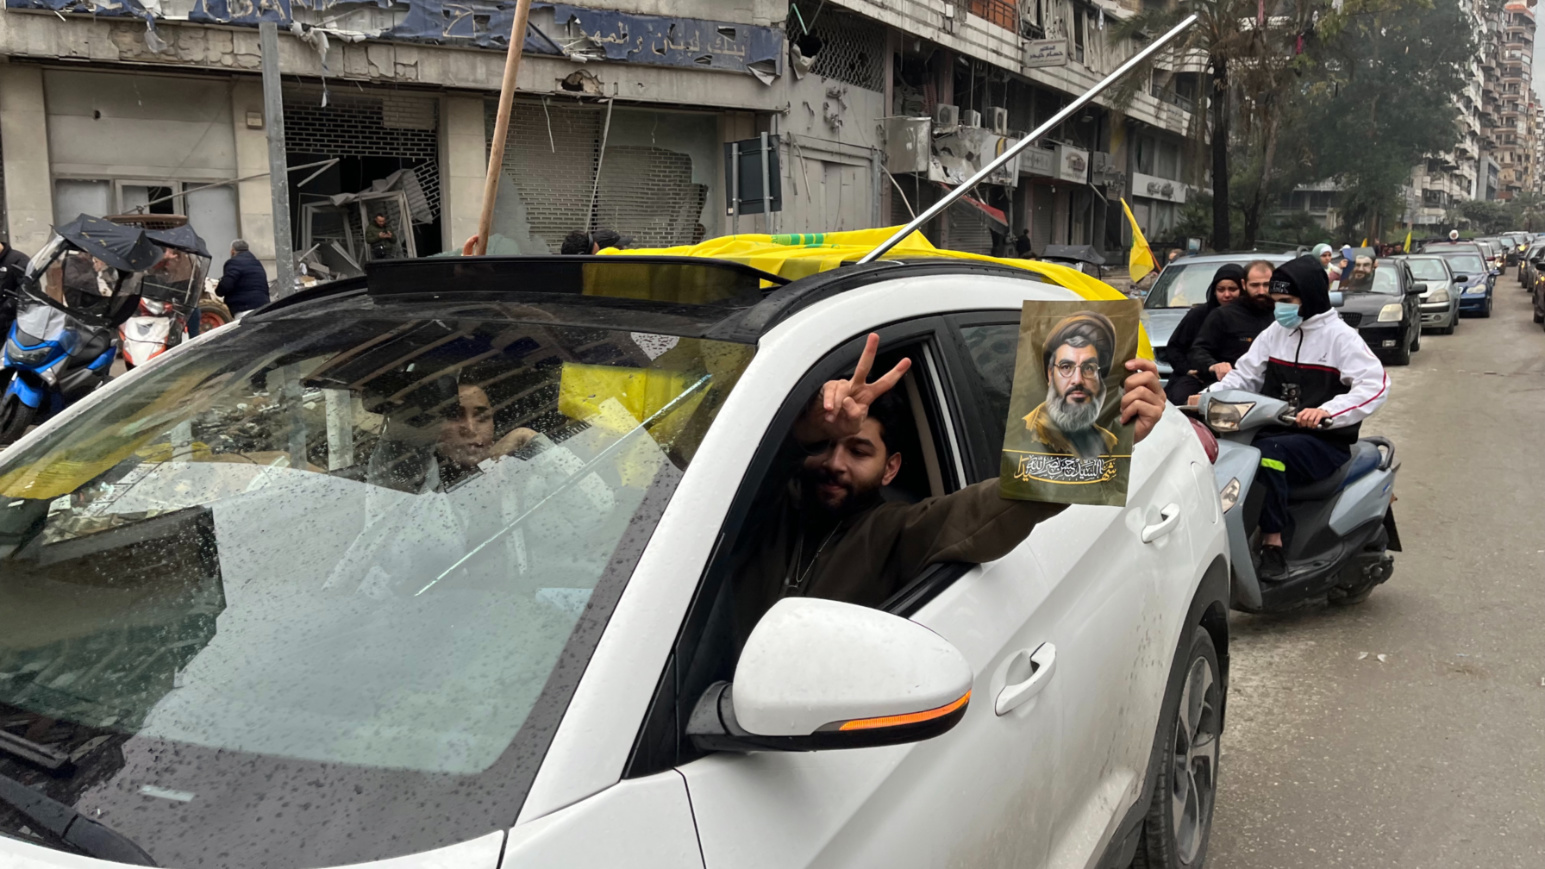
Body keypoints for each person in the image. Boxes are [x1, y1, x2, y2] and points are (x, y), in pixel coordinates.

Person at [733, 333, 1166, 640]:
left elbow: (1000, 503)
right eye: (824, 445)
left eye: (859, 451)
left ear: (891, 469)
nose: (834, 463)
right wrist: (807, 423)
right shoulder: (757, 509)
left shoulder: (896, 532)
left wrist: (1101, 436)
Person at [1199, 255, 1389, 580]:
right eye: (1276, 302)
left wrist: (1328, 411)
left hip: (1324, 442)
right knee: (1227, 451)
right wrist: (1206, 398)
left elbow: (1375, 384)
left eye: (1286, 301)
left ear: (1310, 297)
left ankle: (1273, 542)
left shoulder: (1340, 338)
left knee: (1267, 455)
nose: (1279, 309)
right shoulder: (1275, 333)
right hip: (1276, 432)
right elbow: (1243, 376)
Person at [1020, 312, 1121, 459]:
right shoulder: (1024, 433)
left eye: (1089, 368)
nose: (1078, 380)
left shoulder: (1109, 441)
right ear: (1050, 374)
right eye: (1066, 367)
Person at [1164, 264, 1243, 405]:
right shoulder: (1198, 315)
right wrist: (1188, 370)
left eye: (1232, 289)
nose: (1226, 295)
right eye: (1221, 289)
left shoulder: (1250, 318)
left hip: (1235, 380)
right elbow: (1175, 348)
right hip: (1196, 378)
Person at [1189, 259, 1275, 387]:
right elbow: (1198, 350)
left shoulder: (1285, 315)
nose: (1261, 291)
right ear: (1244, 284)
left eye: (1267, 285)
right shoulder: (1223, 315)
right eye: (1255, 285)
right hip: (1232, 388)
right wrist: (1214, 365)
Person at [215, 239, 271, 319]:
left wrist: (218, 290)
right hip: (263, 306)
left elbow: (227, 284)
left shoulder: (233, 262)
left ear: (232, 251)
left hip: (244, 308)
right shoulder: (257, 263)